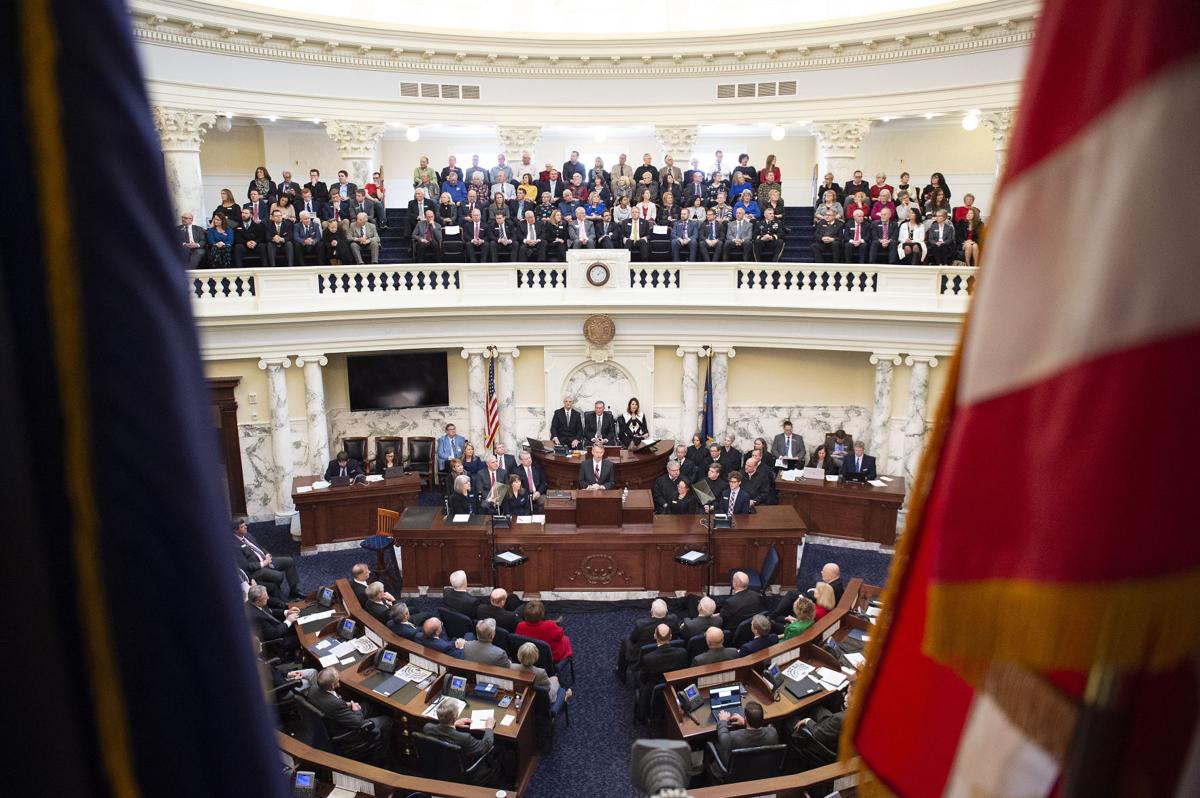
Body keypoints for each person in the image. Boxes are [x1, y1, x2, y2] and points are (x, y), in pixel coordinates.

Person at [309, 667, 393, 766]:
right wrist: (356, 710)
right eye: (337, 680)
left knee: (371, 705)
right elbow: (358, 722)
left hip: (335, 717)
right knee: (387, 721)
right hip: (345, 730)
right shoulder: (335, 704)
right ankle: (382, 757)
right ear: (332, 685)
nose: (339, 681)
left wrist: (346, 705)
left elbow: (333, 705)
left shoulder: (313, 689)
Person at [421, 700, 497, 785]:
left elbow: (444, 730)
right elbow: (486, 745)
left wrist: (455, 724)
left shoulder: (427, 728)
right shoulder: (464, 738)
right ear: (456, 716)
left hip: (439, 766)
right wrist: (489, 727)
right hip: (462, 774)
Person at [235, 519, 303, 599]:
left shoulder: (247, 535)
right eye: (242, 527)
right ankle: (278, 596)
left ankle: (294, 591)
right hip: (256, 570)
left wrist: (267, 554)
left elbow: (259, 547)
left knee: (289, 561)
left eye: (245, 525)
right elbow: (246, 566)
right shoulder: (234, 546)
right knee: (278, 576)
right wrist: (263, 563)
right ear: (235, 530)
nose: (246, 527)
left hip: (265, 560)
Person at [246, 585, 300, 654]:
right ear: (258, 602)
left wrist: (286, 612)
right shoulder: (257, 617)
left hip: (275, 626)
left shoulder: (252, 602)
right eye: (265, 598)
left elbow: (270, 611)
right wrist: (288, 621)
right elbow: (275, 634)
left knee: (299, 624)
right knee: (301, 639)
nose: (268, 598)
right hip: (276, 642)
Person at [515, 598, 572, 662]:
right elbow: (560, 634)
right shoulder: (549, 625)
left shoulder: (520, 625)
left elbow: (519, 640)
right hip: (550, 656)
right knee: (565, 639)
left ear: (525, 615)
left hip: (529, 655)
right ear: (542, 615)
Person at [638, 623, 688, 688]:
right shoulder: (682, 652)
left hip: (654, 691)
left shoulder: (648, 658)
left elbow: (643, 679)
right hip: (676, 687)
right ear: (670, 637)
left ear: (655, 636)